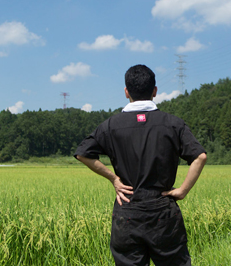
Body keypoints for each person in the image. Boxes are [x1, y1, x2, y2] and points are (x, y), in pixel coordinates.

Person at [74, 64, 207, 266]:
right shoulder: (172, 124)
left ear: (126, 92)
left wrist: (114, 179)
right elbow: (200, 157)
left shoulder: (111, 125)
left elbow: (83, 154)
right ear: (154, 91)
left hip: (127, 209)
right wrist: (182, 191)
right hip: (163, 210)